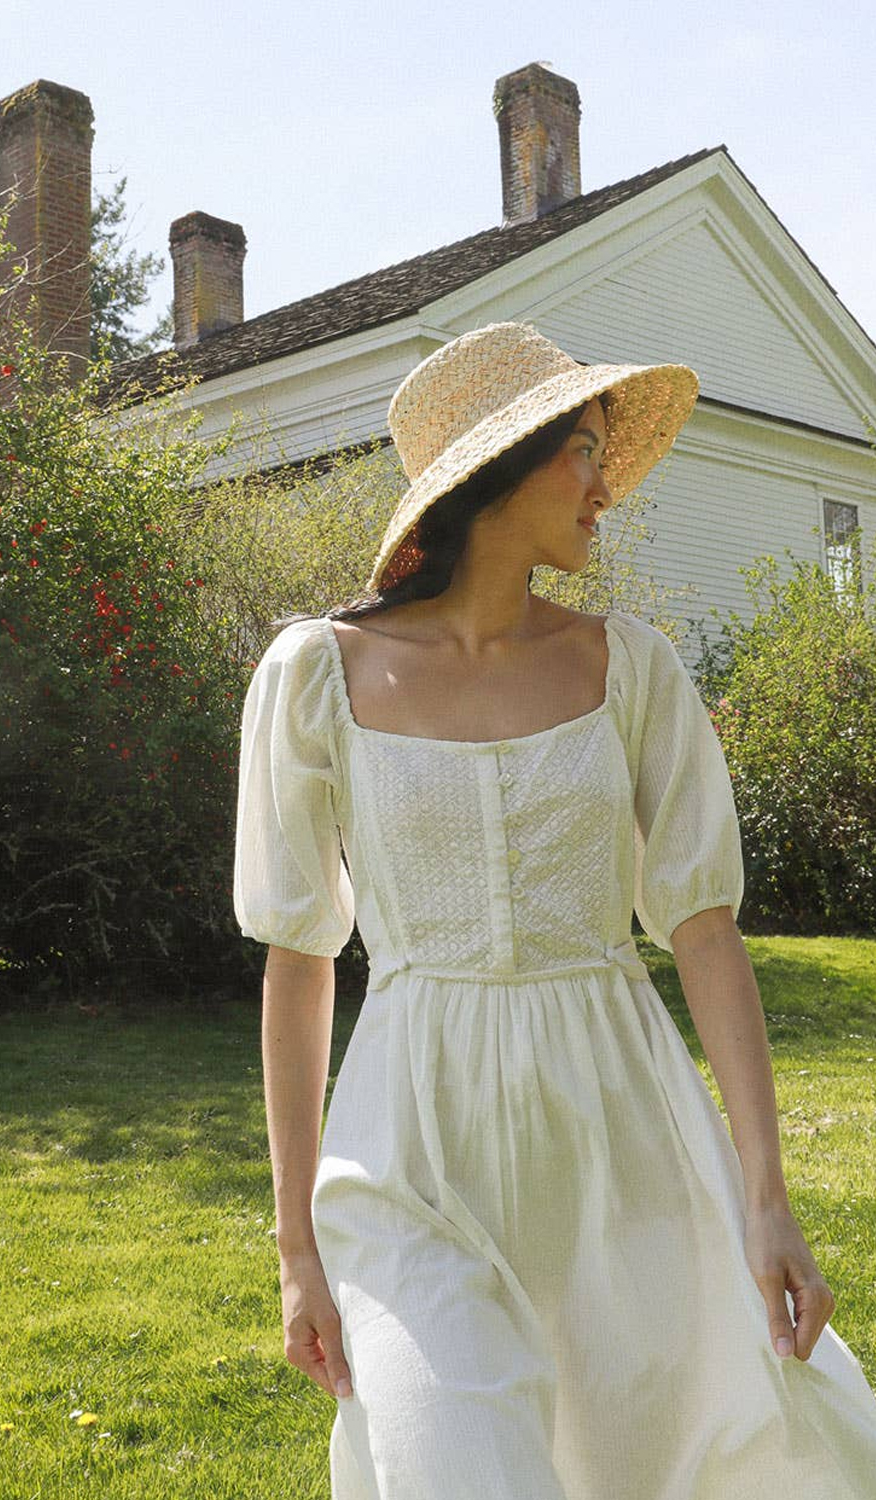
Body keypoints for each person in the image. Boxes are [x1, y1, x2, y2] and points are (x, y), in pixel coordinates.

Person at [233, 321, 876, 1499]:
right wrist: (295, 1250)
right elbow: (298, 955)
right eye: (580, 451)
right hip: (407, 1145)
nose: (603, 486)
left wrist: (765, 1199)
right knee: (450, 1459)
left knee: (672, 1451)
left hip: (619, 1134)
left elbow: (703, 930)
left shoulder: (630, 668)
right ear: (495, 471)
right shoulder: (315, 673)